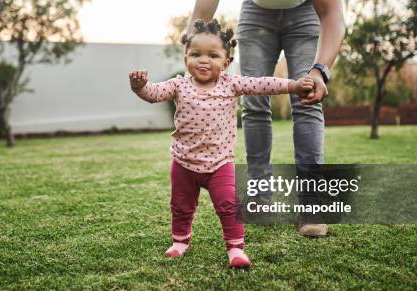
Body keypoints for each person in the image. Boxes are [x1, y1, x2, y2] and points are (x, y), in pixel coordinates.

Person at [128, 19, 314, 268]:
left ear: (226, 63)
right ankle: (180, 241)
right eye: (196, 54)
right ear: (186, 59)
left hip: (219, 164)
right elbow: (154, 94)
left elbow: (262, 84)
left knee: (229, 205)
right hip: (184, 163)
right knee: (180, 206)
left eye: (213, 55)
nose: (203, 60)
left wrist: (293, 85)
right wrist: (140, 87)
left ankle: (236, 248)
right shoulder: (178, 85)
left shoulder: (231, 84)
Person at [188, 0, 345, 236]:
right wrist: (189, 56)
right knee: (254, 103)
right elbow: (202, 11)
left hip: (306, 12)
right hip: (256, 14)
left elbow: (333, 12)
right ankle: (260, 196)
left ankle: (311, 203)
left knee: (308, 99)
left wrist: (320, 71)